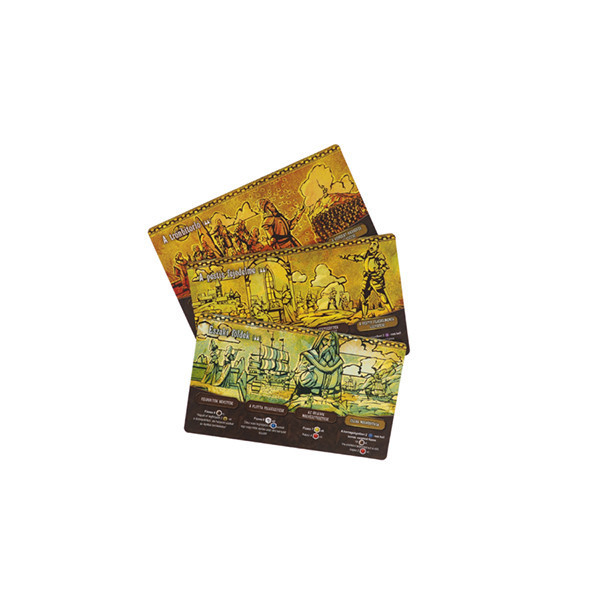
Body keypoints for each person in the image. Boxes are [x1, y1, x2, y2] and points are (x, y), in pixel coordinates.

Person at [288, 331, 343, 405]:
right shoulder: (308, 356)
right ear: (320, 340)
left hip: (330, 401)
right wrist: (311, 373)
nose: (329, 344)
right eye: (326, 340)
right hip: (308, 398)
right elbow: (299, 378)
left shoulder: (338, 361)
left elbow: (338, 386)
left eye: (332, 341)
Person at [341, 239, 393, 318]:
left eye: (374, 244)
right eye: (371, 244)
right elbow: (357, 258)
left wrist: (380, 273)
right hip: (367, 278)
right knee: (364, 297)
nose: (371, 246)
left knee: (382, 295)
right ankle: (364, 316)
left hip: (376, 278)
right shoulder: (366, 254)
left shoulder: (379, 256)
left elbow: (385, 266)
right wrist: (346, 257)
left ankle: (391, 311)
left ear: (377, 247)